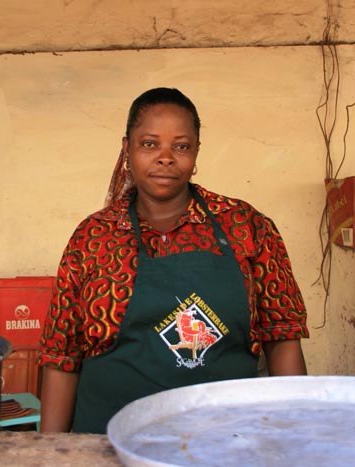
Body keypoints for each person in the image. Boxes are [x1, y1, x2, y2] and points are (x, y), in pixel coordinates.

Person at [38, 87, 309, 434]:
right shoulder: (93, 237)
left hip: (226, 442)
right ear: (127, 149)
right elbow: (62, 356)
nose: (165, 157)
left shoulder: (246, 227)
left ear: (196, 153)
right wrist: (51, 453)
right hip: (106, 444)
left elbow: (282, 339)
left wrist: (298, 437)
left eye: (181, 146)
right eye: (150, 144)